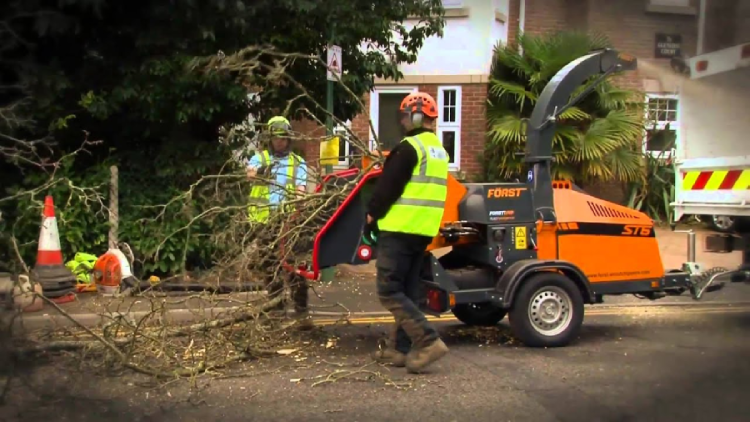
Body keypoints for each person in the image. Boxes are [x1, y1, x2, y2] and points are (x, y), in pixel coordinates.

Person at [365, 92, 451, 373]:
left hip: (400, 227)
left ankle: (428, 341)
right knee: (408, 291)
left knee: (388, 290)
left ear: (416, 116)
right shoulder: (439, 151)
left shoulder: (409, 148)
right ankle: (401, 350)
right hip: (422, 231)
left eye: (405, 115)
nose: (402, 121)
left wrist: (371, 214)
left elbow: (388, 187)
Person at [247, 115, 313, 330]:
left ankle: (301, 311)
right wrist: (259, 173)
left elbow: (302, 191)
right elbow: (249, 174)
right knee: (270, 267)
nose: (280, 142)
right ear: (270, 139)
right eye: (276, 138)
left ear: (289, 139)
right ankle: (276, 308)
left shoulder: (298, 163)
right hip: (265, 222)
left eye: (283, 138)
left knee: (295, 266)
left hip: (290, 222)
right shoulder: (260, 159)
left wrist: (297, 212)